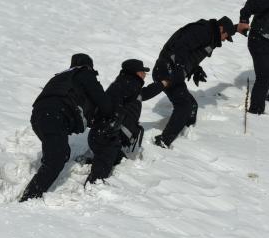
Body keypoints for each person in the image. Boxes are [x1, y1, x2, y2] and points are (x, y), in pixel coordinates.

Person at [19, 53, 114, 202]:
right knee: (55, 159)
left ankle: (33, 192)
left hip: (38, 117)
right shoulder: (85, 74)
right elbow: (104, 103)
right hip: (55, 115)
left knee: (60, 153)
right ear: (89, 66)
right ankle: (28, 199)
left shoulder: (61, 77)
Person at [151, 16, 237, 148]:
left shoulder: (210, 35)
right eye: (226, 36)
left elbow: (191, 53)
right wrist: (179, 67)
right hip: (166, 69)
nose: (225, 39)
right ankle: (163, 142)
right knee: (184, 106)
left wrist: (195, 69)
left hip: (173, 70)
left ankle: (186, 134)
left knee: (192, 106)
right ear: (221, 29)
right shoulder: (203, 31)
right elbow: (181, 46)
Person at [86, 59, 164, 183]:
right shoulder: (126, 85)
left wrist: (162, 84)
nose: (145, 74)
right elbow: (113, 102)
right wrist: (112, 125)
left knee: (117, 159)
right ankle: (93, 185)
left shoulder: (131, 86)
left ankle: (91, 163)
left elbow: (145, 93)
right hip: (106, 135)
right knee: (102, 168)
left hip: (107, 135)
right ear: (135, 72)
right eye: (142, 71)